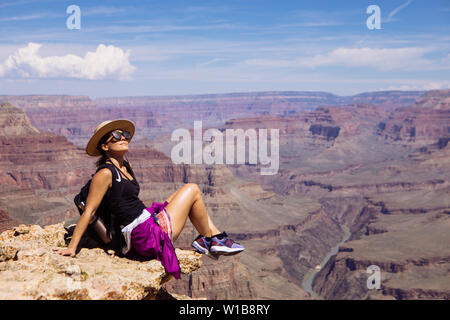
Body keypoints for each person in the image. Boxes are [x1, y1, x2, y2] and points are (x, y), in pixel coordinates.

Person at [53, 119, 244, 278]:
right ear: (105, 146)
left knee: (185, 193)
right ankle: (212, 240)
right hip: (141, 235)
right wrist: (72, 247)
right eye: (117, 136)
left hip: (145, 220)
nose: (123, 138)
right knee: (192, 189)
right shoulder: (105, 173)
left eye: (125, 135)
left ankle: (210, 238)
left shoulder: (125, 167)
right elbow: (90, 211)